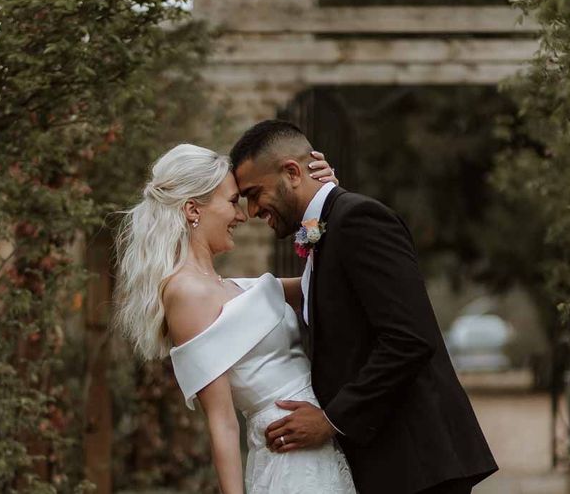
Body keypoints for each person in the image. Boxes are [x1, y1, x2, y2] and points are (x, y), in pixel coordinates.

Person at [229, 120, 499, 494]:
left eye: (255, 193)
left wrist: (331, 420)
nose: (253, 209)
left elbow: (409, 339)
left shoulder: (358, 220)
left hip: (417, 464)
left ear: (292, 172)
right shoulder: (326, 227)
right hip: (389, 462)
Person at [114, 143, 356, 494]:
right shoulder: (186, 294)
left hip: (318, 441)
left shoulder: (234, 288)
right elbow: (222, 420)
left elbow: (317, 283)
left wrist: (325, 203)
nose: (242, 216)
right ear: (192, 210)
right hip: (289, 457)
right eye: (231, 203)